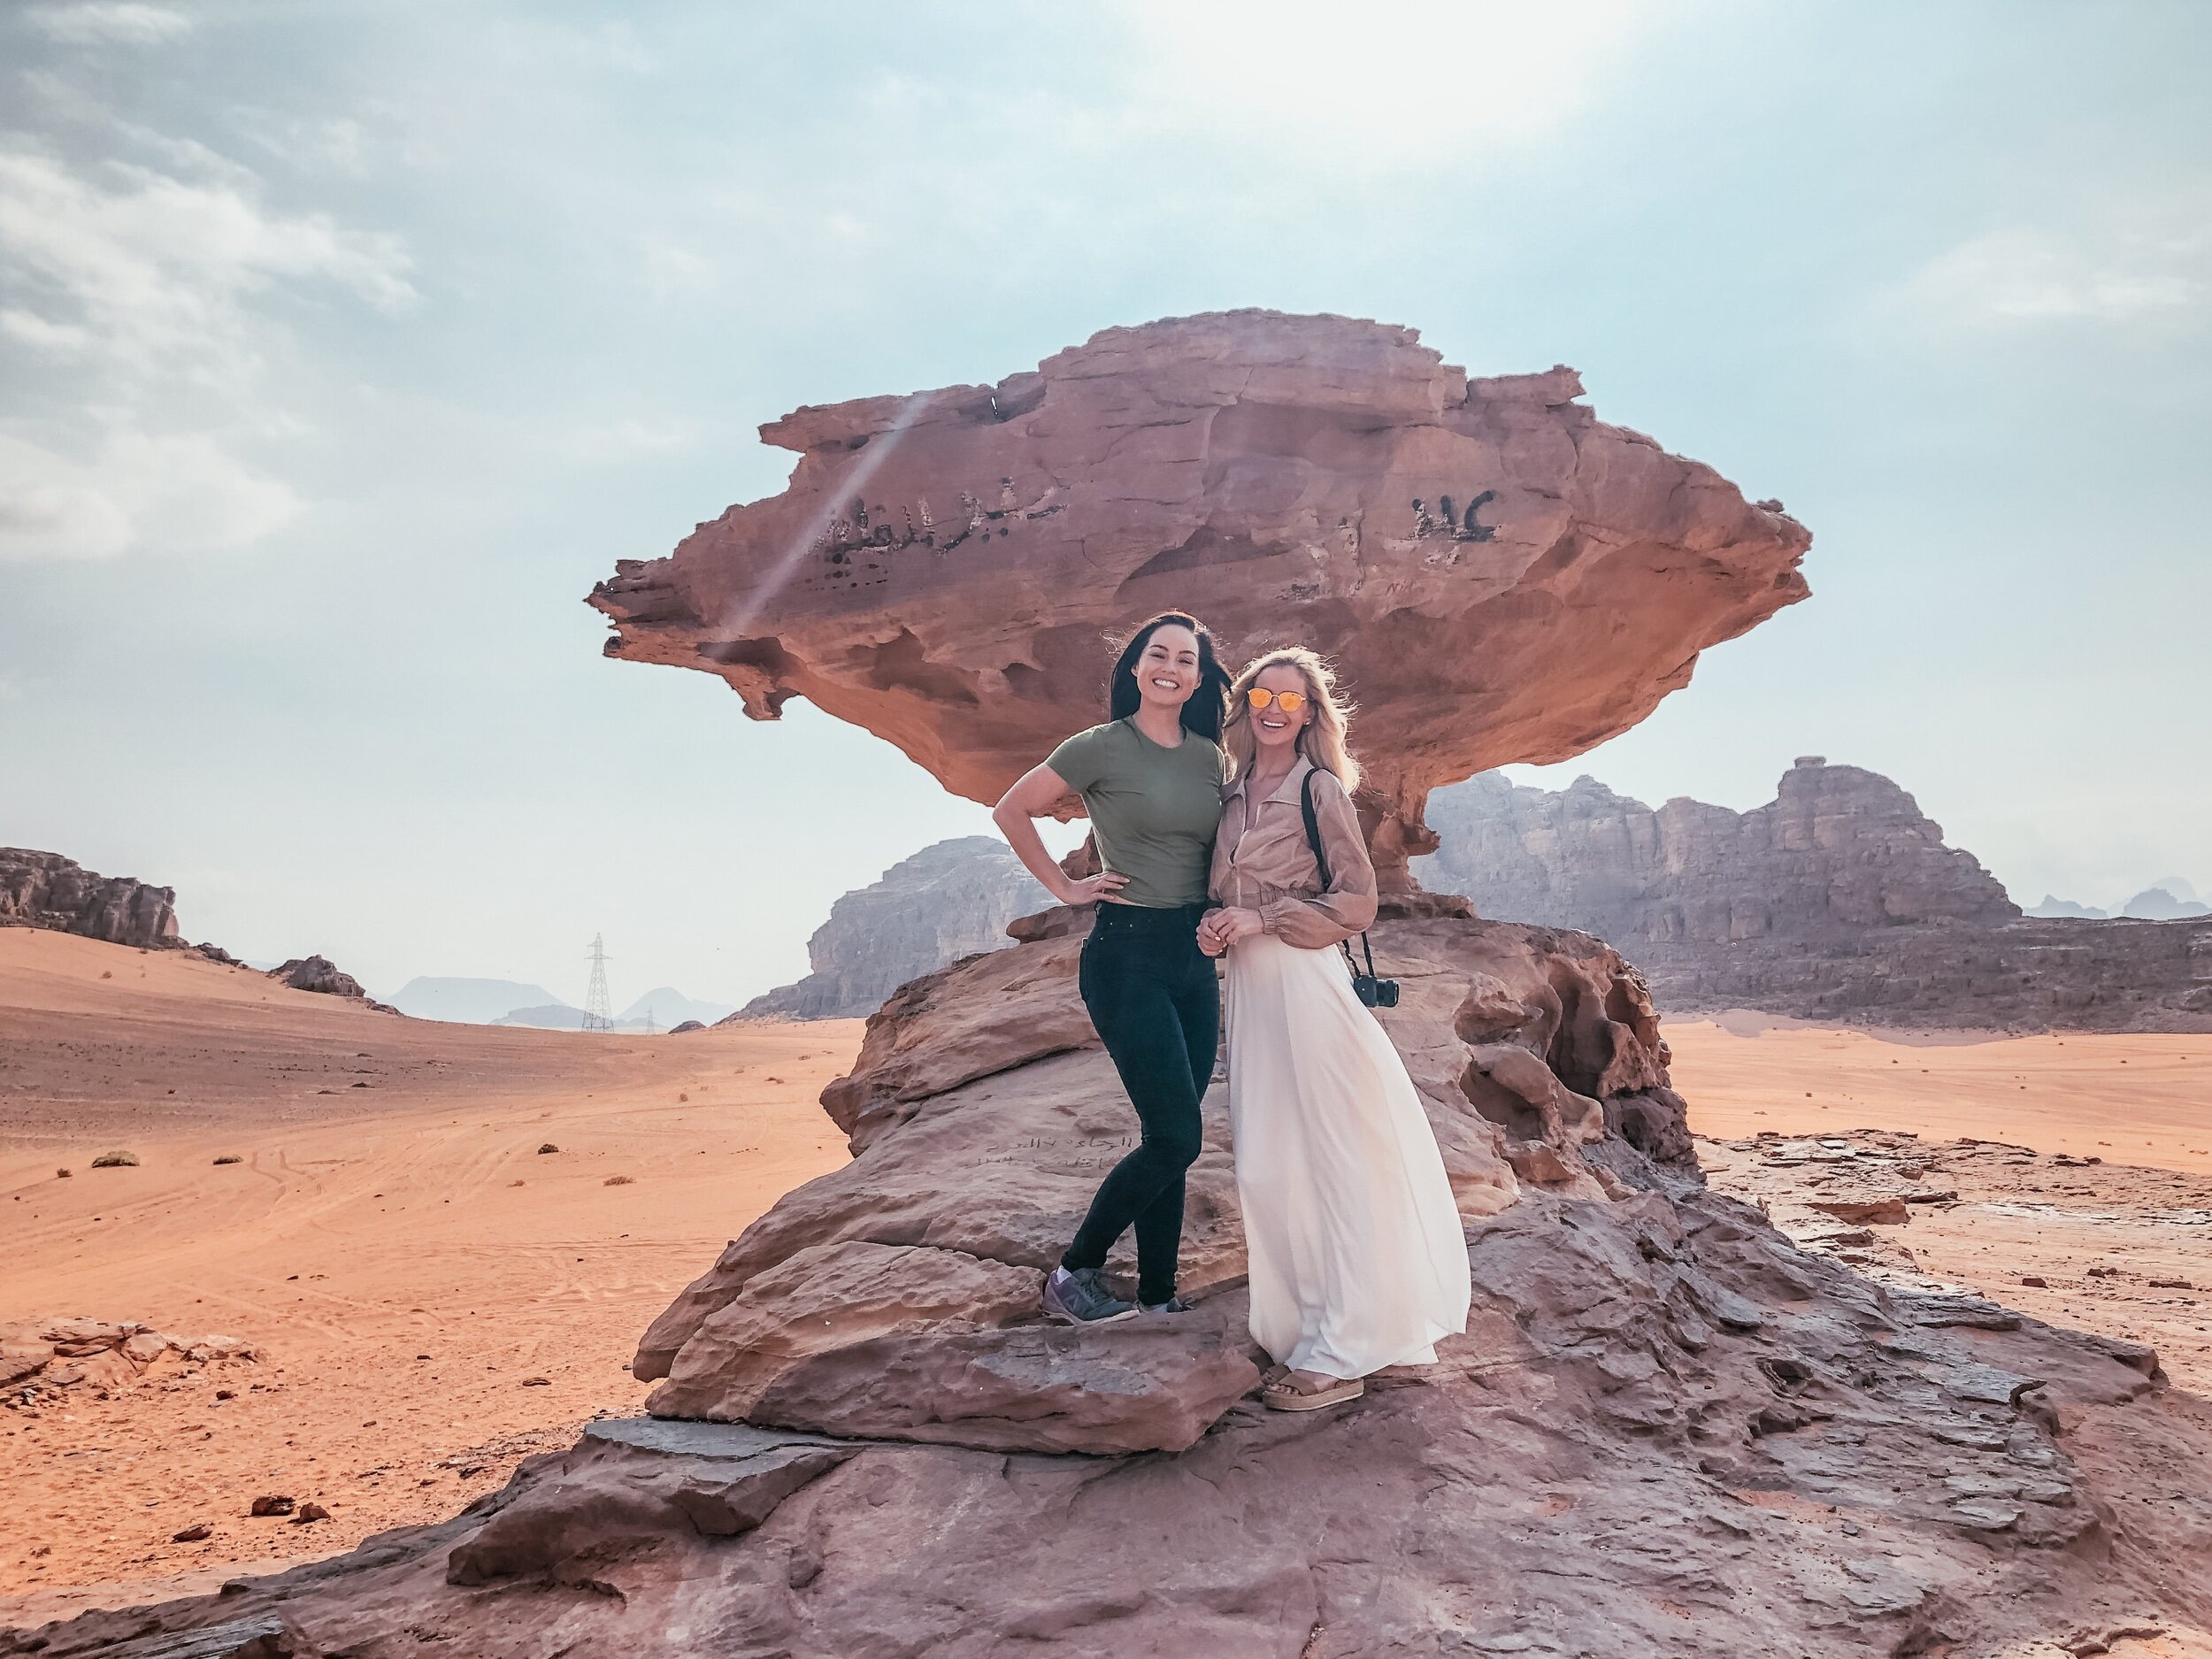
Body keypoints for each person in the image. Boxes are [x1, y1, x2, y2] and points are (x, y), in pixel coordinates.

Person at [1198, 647, 1471, 1409]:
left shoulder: (1320, 788)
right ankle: (1323, 1325)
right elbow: (1219, 888)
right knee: (1268, 1163)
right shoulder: (1226, 795)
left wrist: (1264, 917)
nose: (1275, 709)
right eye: (1262, 697)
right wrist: (1216, 925)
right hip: (1252, 986)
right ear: (1246, 708)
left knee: (1337, 1156)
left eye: (1291, 699)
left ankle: (1346, 1347)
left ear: (1312, 714)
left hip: (1306, 982)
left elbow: (1357, 900)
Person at [992, 611, 1233, 1324]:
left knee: (1176, 1134)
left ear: (1197, 676)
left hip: (1193, 956)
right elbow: (1012, 809)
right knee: (1175, 1137)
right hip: (1126, 955)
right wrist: (1065, 889)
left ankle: (1158, 1294)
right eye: (1158, 654)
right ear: (1135, 668)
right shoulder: (1101, 746)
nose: (1171, 667)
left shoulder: (1210, 757)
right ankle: (1074, 1272)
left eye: (1186, 659)